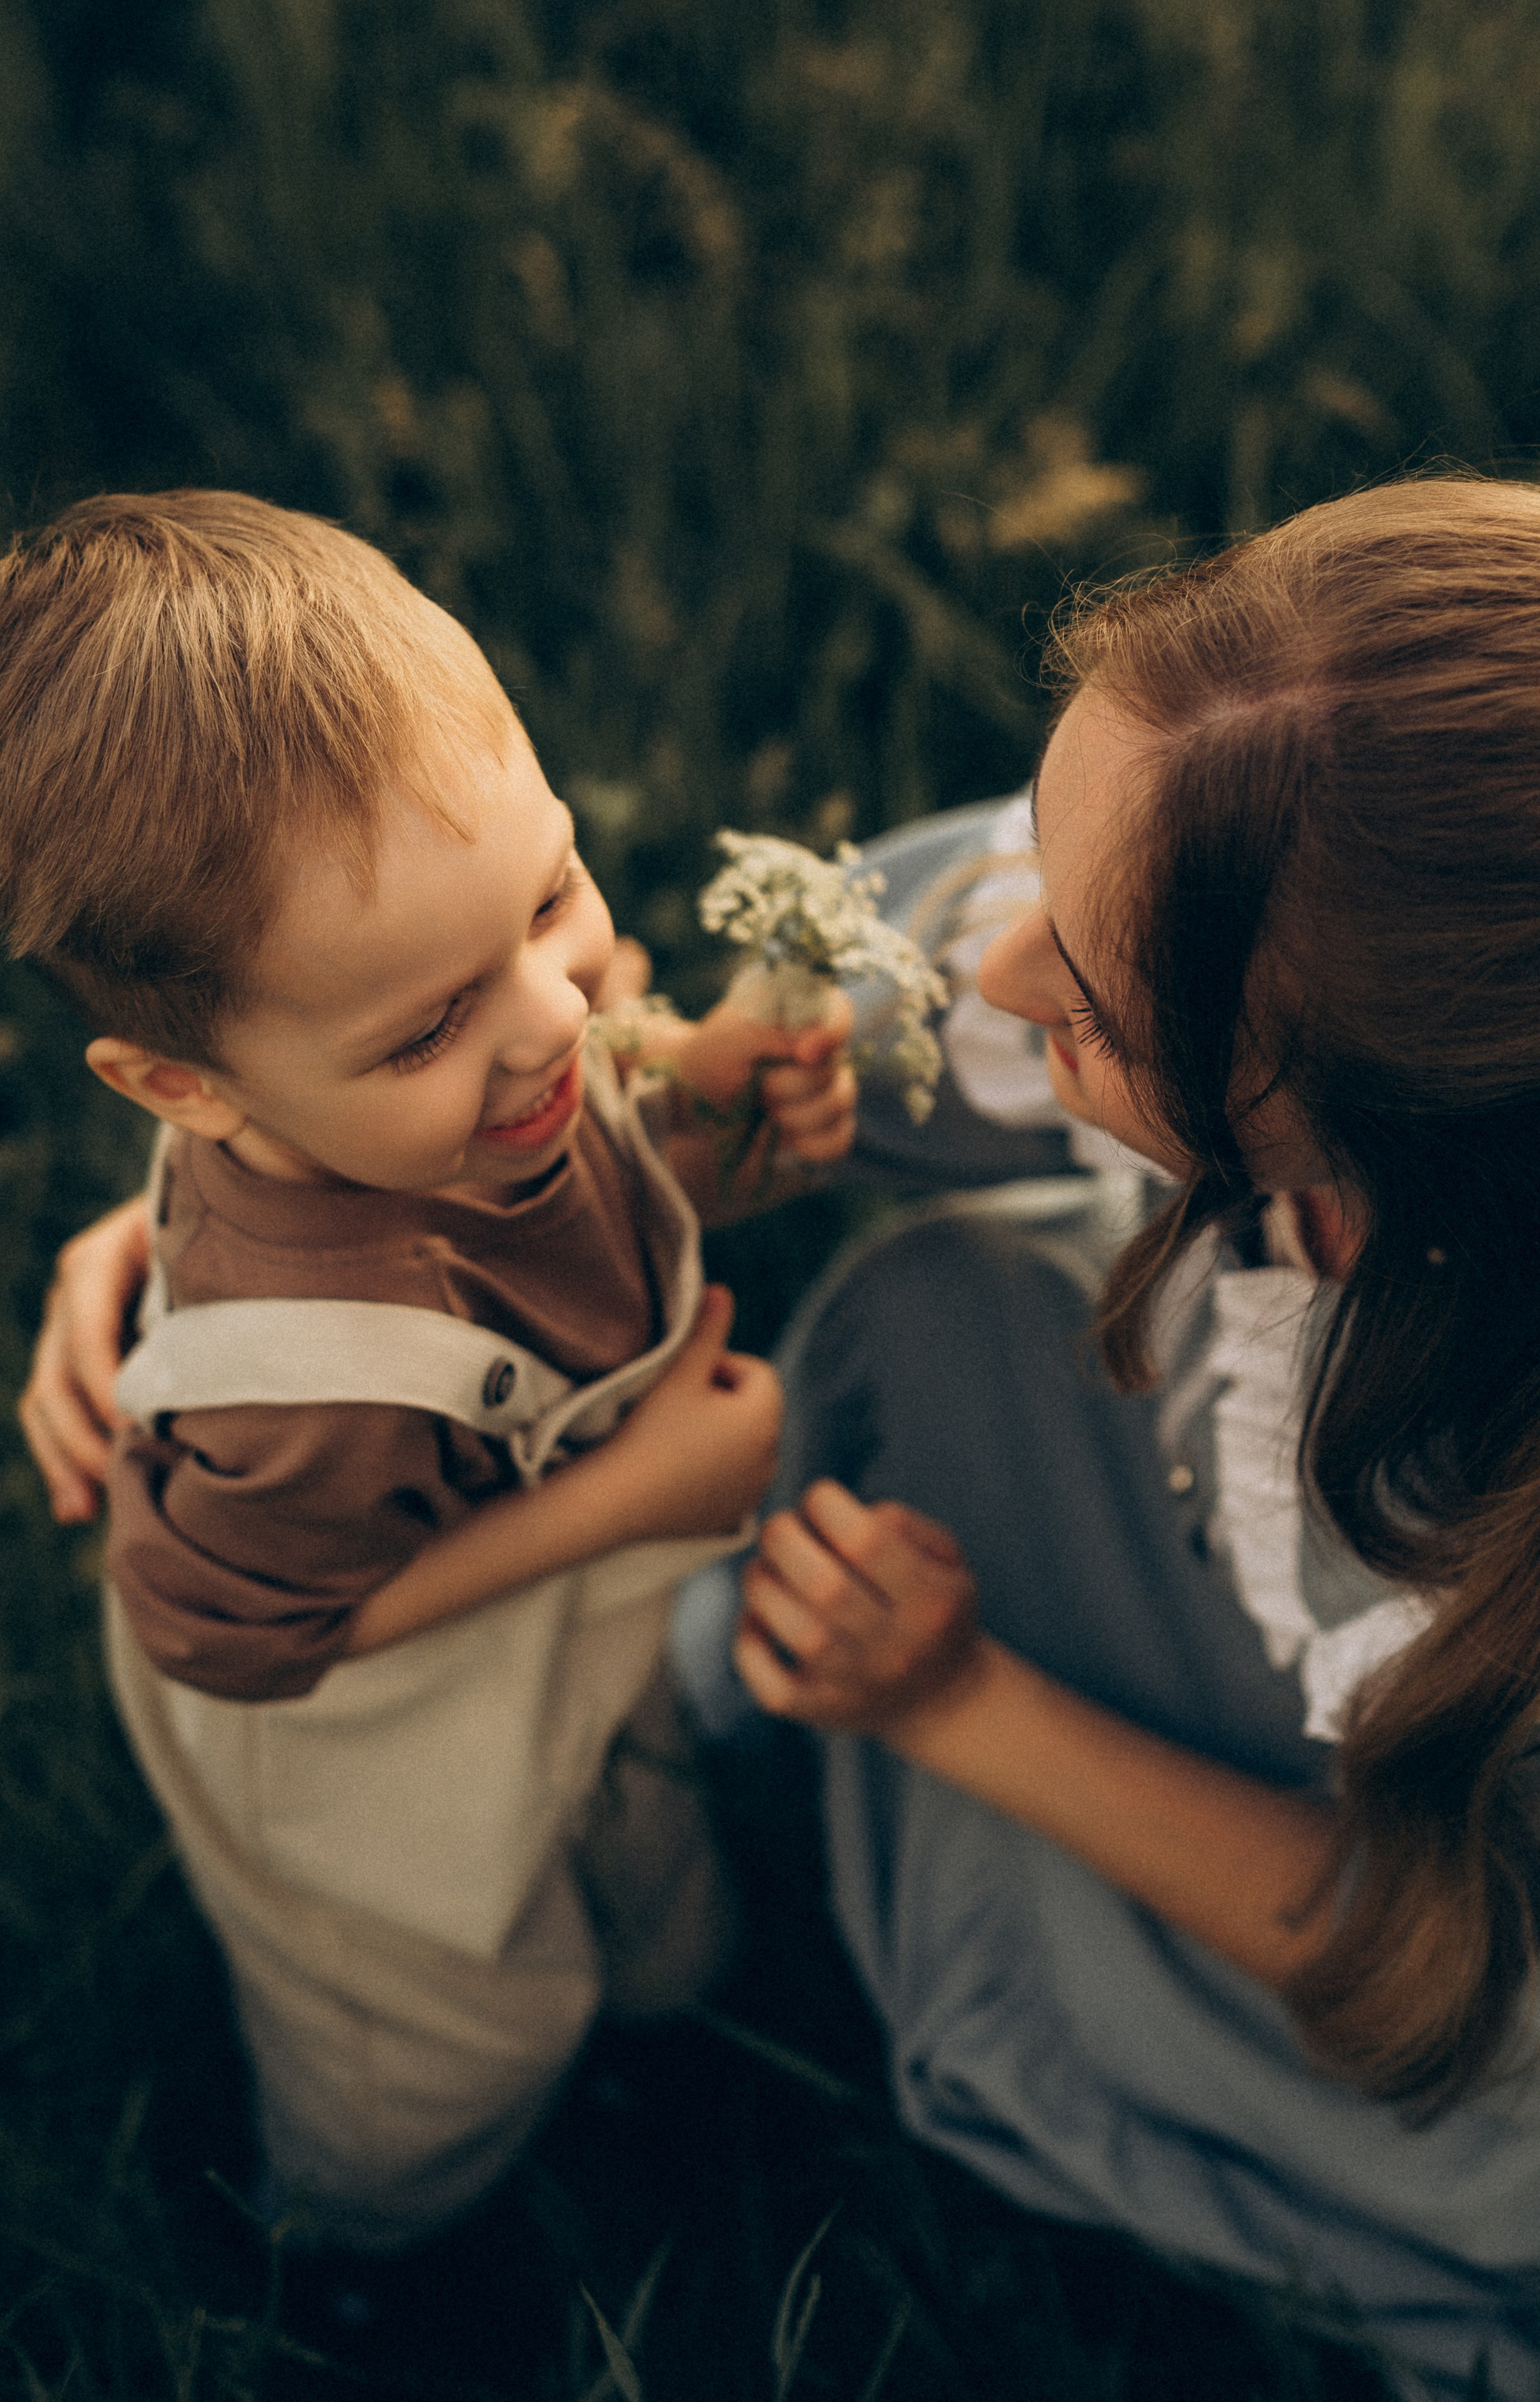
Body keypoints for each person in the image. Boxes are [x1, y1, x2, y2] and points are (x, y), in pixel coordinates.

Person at [33, 475, 1540, 2400]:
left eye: (1091, 1006)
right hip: (371, 1716)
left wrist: (951, 1700)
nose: (987, 980)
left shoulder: (1538, 1544)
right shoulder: (1308, 832)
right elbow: (637, 1063)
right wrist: (249, 1202)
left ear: (1382, 1159)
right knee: (426, 2020)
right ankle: (358, 2251)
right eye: (1040, 869)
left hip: (1447, 1994)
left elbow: (1463, 1977)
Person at [0, 488, 855, 2253]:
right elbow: (232, 1637)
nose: (555, 1015)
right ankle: (359, 2268)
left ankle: (669, 2026)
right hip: (360, 1759)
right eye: (427, 1024)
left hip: (560, 1641)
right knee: (443, 2029)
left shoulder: (463, 1093)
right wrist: (637, 1500)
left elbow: (590, 1207)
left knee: (644, 1877)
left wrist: (719, 1106)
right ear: (190, 1092)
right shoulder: (297, 1389)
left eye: (551, 893)